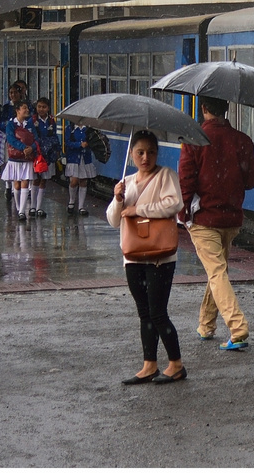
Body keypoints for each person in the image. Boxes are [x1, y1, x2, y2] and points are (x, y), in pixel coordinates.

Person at [177, 96, 254, 350]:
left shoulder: (194, 140)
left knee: (216, 272)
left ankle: (238, 328)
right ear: (226, 108)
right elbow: (252, 180)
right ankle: (206, 325)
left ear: (203, 109)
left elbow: (185, 183)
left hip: (204, 219)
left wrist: (182, 214)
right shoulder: (242, 140)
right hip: (231, 219)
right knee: (218, 271)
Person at [108, 130, 186, 385]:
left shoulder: (166, 176)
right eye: (140, 152)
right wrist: (118, 199)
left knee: (158, 312)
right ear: (131, 154)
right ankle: (149, 364)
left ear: (157, 153)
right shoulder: (126, 182)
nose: (145, 157)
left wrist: (139, 209)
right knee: (144, 313)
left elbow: (174, 204)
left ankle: (176, 364)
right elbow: (112, 219)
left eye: (151, 152)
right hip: (133, 255)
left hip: (159, 256)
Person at [2, 102, 37, 221]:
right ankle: (18, 208)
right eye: (24, 108)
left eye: (27, 108)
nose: (27, 110)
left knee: (25, 182)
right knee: (16, 184)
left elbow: (36, 139)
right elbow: (10, 139)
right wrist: (23, 148)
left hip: (27, 158)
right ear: (17, 110)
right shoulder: (11, 124)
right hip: (15, 158)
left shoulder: (31, 124)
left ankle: (22, 211)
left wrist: (31, 148)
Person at [29, 98, 59, 217]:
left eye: (44, 107)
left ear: (48, 108)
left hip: (48, 153)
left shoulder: (51, 121)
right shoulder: (33, 120)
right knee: (35, 179)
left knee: (44, 180)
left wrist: (54, 149)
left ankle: (39, 207)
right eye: (39, 106)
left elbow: (54, 135)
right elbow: (32, 136)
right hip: (37, 153)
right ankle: (32, 206)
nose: (41, 109)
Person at [63, 117, 95, 216]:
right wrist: (79, 144)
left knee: (84, 180)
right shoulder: (70, 129)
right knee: (74, 180)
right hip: (73, 158)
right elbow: (67, 143)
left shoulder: (88, 129)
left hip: (85, 157)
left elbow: (93, 141)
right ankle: (71, 201)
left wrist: (89, 144)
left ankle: (81, 206)